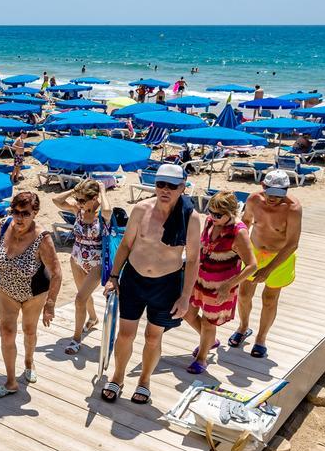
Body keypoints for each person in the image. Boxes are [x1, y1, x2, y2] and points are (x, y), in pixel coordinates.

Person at [101, 164, 201, 405]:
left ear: (182, 188)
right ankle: (117, 377)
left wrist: (185, 296)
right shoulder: (141, 209)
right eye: (160, 184)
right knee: (125, 335)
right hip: (134, 279)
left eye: (172, 186)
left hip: (166, 284)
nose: (165, 190)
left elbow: (194, 258)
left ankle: (144, 381)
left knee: (153, 337)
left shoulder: (191, 218)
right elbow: (125, 245)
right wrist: (113, 277)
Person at [0, 192, 62, 397]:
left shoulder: (43, 238)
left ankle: (29, 361)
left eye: (25, 213)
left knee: (29, 331)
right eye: (15, 212)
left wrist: (50, 304)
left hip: (33, 294)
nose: (19, 217)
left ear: (35, 213)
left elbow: (56, 273)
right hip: (6, 290)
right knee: (7, 333)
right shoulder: (4, 225)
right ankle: (11, 382)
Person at [229, 170, 302, 360]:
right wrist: (237, 246)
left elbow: (292, 243)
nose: (273, 199)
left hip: (280, 256)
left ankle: (261, 338)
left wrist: (268, 269)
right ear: (263, 186)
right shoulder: (254, 200)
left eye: (279, 195)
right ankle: (243, 327)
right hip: (254, 251)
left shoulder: (293, 208)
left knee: (269, 299)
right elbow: (245, 222)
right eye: (270, 194)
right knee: (244, 294)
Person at [183, 192, 258, 374]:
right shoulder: (210, 222)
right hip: (200, 280)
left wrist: (229, 285)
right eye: (210, 212)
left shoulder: (238, 232)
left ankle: (202, 358)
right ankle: (209, 341)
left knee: (209, 323)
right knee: (187, 313)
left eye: (218, 215)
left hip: (221, 286)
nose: (213, 217)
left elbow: (252, 266)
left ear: (231, 213)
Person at [52, 179, 112, 355]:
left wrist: (103, 190)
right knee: (83, 296)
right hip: (77, 258)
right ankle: (93, 318)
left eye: (82, 200)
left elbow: (108, 210)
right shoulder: (78, 209)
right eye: (77, 200)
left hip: (97, 262)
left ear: (94, 198)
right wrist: (75, 190)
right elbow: (56, 201)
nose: (78, 203)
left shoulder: (103, 212)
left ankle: (76, 339)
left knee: (79, 299)